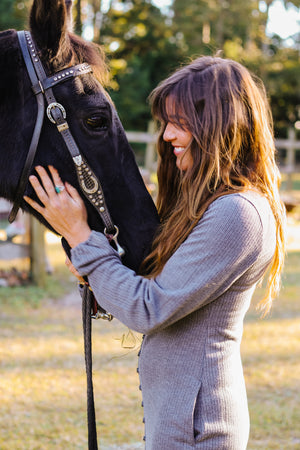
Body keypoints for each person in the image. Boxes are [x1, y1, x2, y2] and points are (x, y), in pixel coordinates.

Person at [24, 56, 286, 450]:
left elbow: (149, 308)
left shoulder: (238, 213)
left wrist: (80, 235)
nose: (166, 136)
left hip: (198, 433)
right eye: (165, 123)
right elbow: (159, 288)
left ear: (218, 126)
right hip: (182, 424)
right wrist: (95, 269)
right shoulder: (212, 206)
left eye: (178, 123)